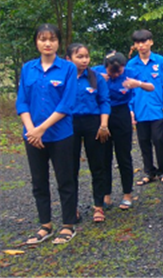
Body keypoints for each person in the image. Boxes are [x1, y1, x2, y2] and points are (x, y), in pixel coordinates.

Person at [17, 24, 79, 245]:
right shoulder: (28, 69)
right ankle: (45, 225)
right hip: (32, 136)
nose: (47, 43)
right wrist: (31, 130)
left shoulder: (68, 69)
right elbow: (22, 101)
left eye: (52, 39)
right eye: (43, 39)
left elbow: (67, 103)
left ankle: (68, 224)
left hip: (60, 134)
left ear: (58, 43)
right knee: (38, 181)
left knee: (65, 179)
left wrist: (42, 129)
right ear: (36, 42)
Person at [99, 51, 153, 211]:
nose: (115, 74)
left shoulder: (130, 74)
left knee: (124, 156)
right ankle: (105, 195)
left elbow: (151, 86)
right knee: (104, 157)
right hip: (102, 116)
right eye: (111, 71)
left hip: (121, 115)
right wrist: (97, 80)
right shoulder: (97, 72)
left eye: (118, 71)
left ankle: (127, 194)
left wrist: (138, 84)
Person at [66, 43, 110, 224]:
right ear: (68, 59)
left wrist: (104, 125)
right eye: (79, 57)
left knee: (97, 165)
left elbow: (104, 101)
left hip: (93, 123)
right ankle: (71, 208)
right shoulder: (64, 77)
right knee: (70, 168)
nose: (84, 60)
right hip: (69, 124)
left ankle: (98, 206)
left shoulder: (95, 77)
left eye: (86, 56)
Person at [127, 30, 163, 187]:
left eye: (144, 42)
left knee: (159, 139)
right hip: (140, 110)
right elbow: (128, 89)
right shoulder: (131, 65)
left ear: (151, 42)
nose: (141, 45)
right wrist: (130, 109)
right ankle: (149, 171)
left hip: (157, 108)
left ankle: (162, 170)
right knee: (143, 141)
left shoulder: (160, 62)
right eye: (138, 43)